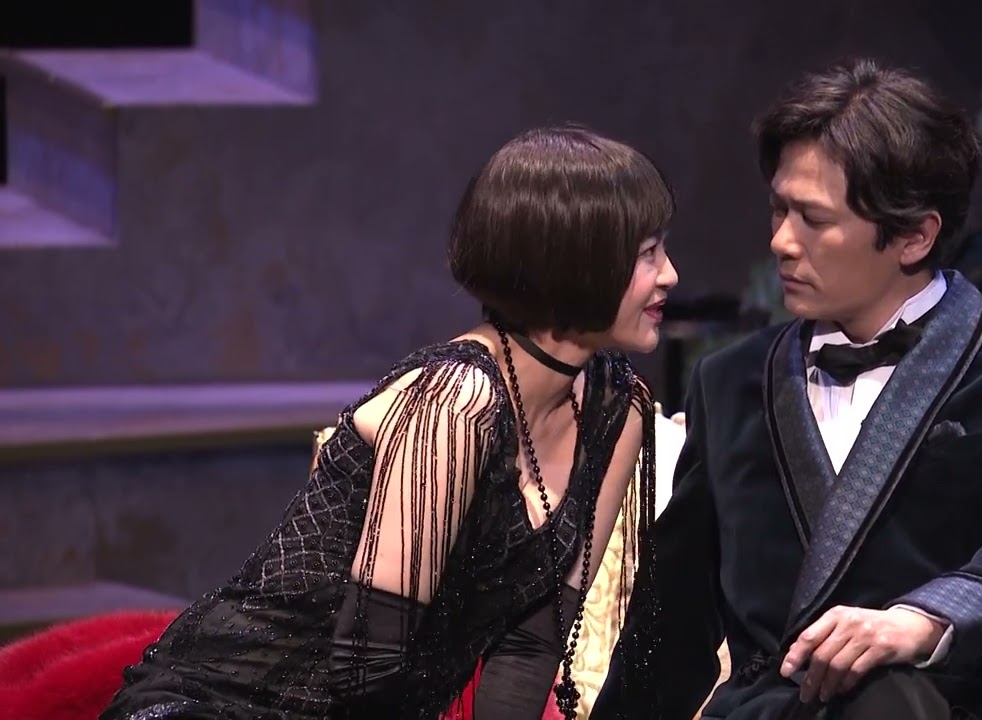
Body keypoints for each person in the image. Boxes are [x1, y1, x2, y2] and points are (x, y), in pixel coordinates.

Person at [101, 125, 679, 720]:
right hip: (227, 707)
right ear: (575, 263)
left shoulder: (618, 407)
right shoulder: (455, 403)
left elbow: (531, 649)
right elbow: (367, 670)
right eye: (648, 254)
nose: (670, 275)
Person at [595, 58, 982, 719]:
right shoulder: (730, 383)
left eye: (813, 219)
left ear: (914, 236)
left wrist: (919, 621)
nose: (782, 242)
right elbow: (672, 622)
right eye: (778, 209)